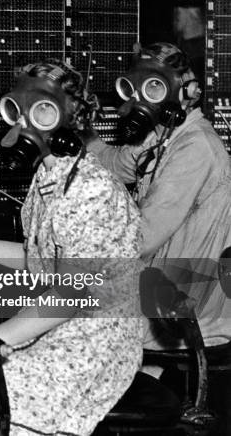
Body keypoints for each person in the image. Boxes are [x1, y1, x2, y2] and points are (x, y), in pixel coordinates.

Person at [0, 60, 144, 435]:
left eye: (39, 111)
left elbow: (72, 292)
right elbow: (40, 261)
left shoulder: (90, 189)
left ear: (68, 118)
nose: (22, 125)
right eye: (15, 111)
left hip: (96, 345)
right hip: (58, 328)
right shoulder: (49, 175)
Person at [86, 42, 231, 349]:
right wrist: (83, 132)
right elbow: (118, 164)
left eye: (152, 88)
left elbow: (142, 238)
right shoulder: (166, 136)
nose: (139, 100)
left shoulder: (196, 146)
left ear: (185, 92)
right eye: (134, 89)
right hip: (164, 288)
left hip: (185, 308)